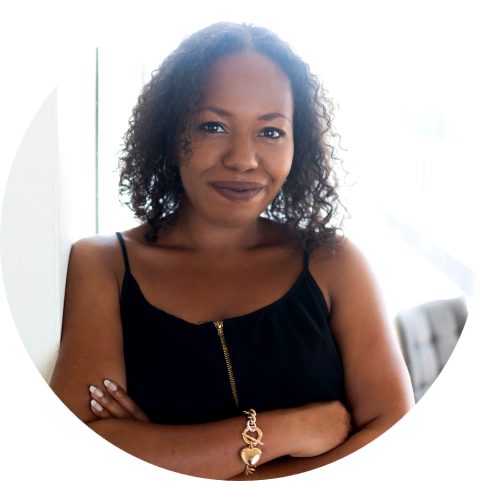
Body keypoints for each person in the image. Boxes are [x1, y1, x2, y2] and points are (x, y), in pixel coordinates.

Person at [49, 22, 415, 480]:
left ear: (298, 144)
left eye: (271, 132)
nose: (243, 159)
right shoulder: (103, 265)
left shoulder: (334, 263)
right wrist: (287, 431)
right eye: (214, 126)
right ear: (170, 135)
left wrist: (170, 452)